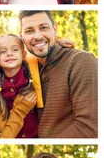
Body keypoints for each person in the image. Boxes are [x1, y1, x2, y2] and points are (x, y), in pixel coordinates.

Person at [19, 10, 98, 138]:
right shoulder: (26, 68)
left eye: (43, 28)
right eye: (29, 31)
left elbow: (90, 128)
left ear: (54, 29)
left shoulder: (81, 62)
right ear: (21, 37)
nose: (38, 36)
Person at [0, 33, 42, 139]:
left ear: (24, 55)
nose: (9, 54)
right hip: (11, 135)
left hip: (34, 135)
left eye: (15, 50)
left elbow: (48, 52)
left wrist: (59, 41)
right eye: (3, 51)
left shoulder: (33, 70)